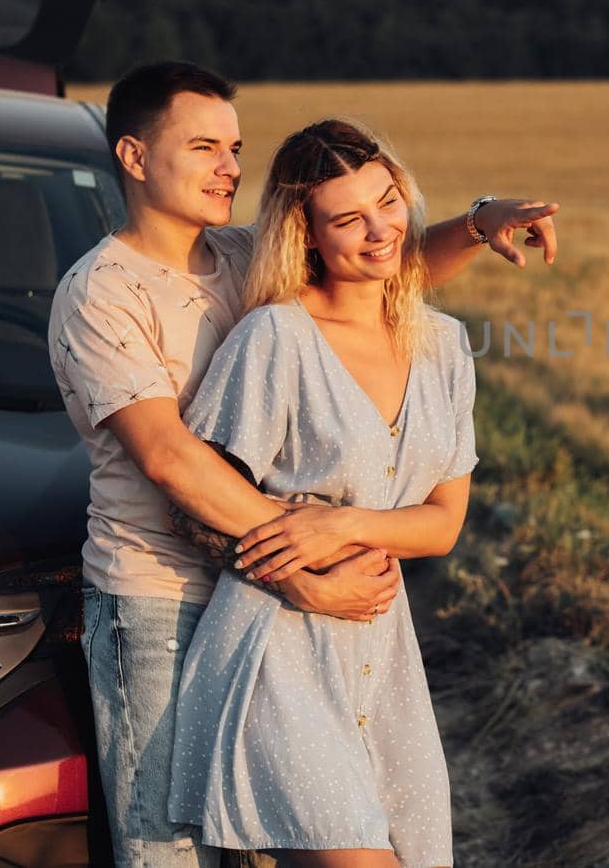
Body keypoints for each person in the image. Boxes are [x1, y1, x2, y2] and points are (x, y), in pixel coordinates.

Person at [47, 62, 559, 867]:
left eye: (237, 146)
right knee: (169, 854)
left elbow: (379, 266)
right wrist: (304, 562)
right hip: (158, 595)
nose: (230, 167)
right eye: (205, 146)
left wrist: (480, 219)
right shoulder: (102, 291)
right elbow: (174, 460)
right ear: (136, 158)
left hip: (269, 602)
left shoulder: (242, 256)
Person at [167, 119, 471, 867]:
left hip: (385, 658)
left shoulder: (446, 346)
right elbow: (197, 502)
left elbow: (443, 525)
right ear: (305, 234)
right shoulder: (276, 338)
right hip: (277, 655)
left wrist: (343, 525)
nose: (379, 231)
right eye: (347, 218)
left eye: (388, 202)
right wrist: (303, 572)